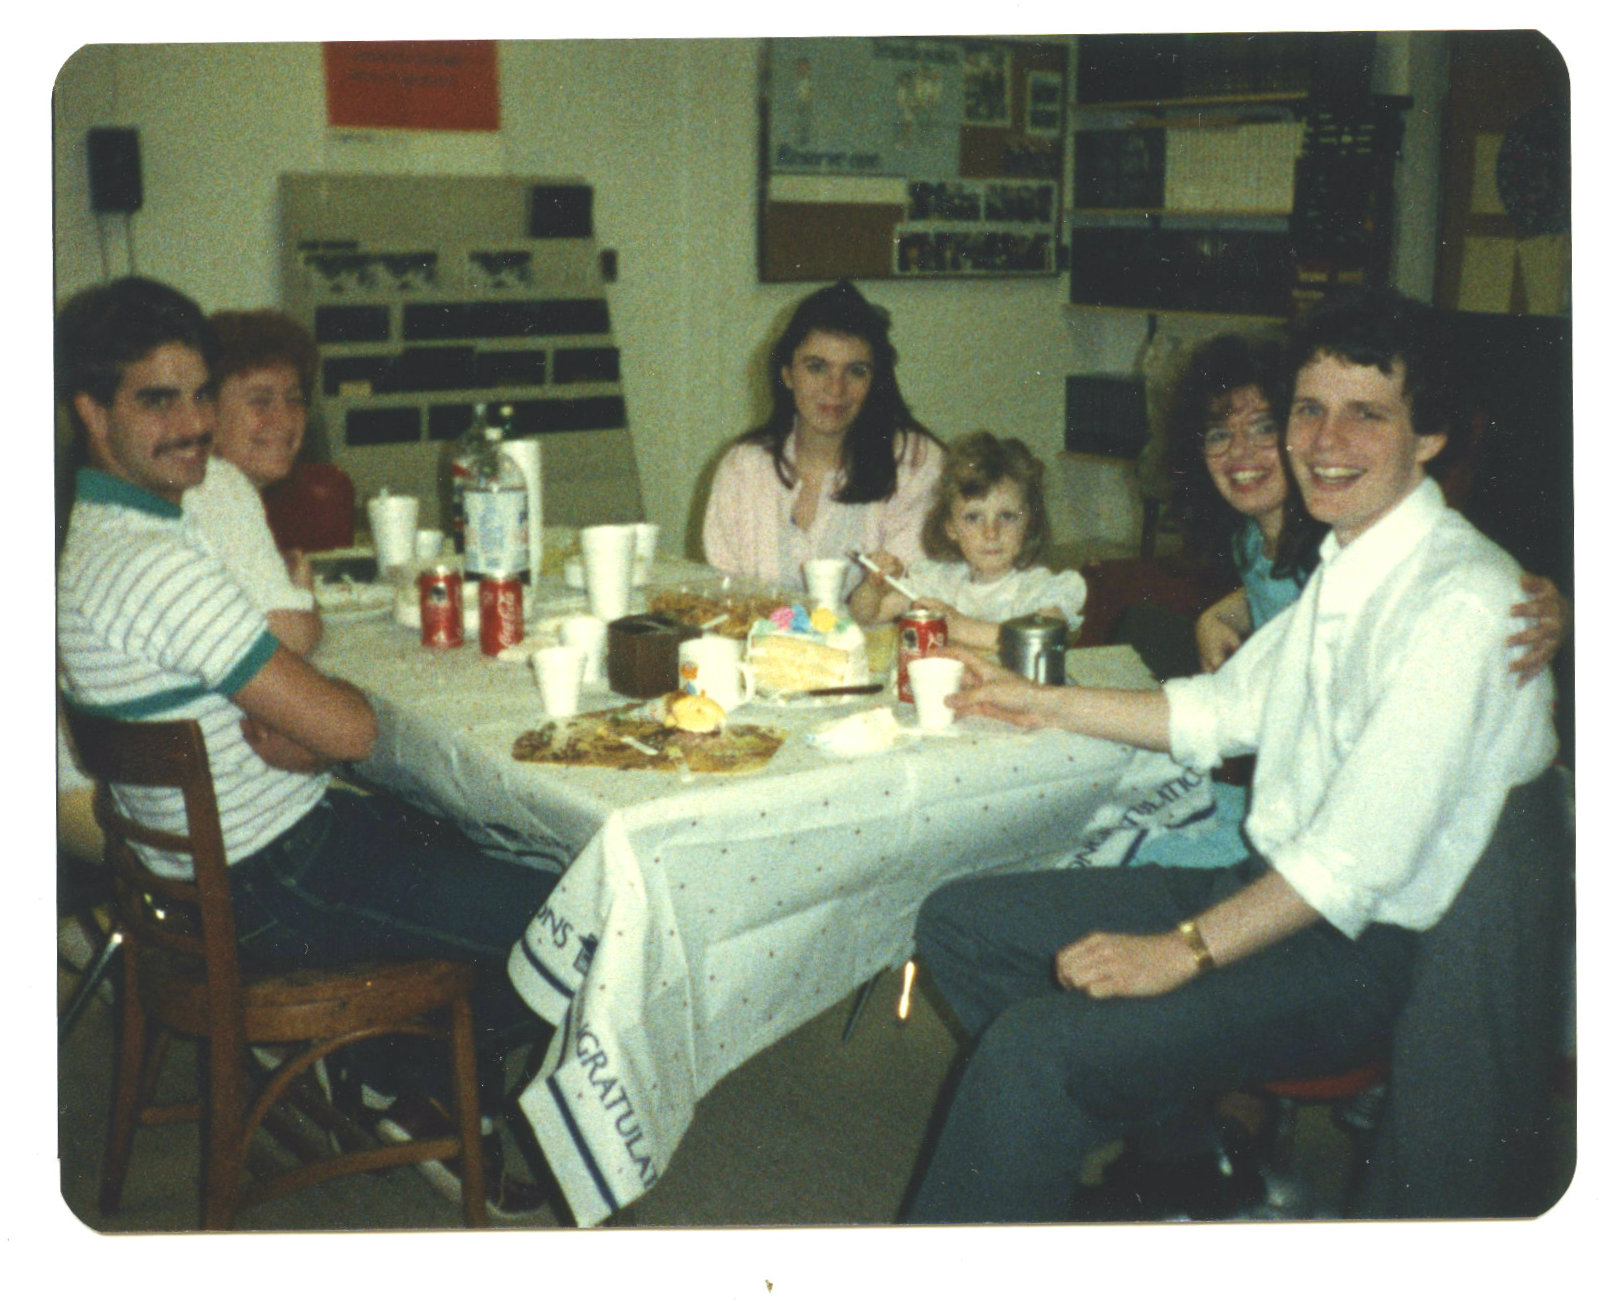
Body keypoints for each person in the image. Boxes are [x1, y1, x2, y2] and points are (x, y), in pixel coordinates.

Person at [902, 288, 1559, 1223]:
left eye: (1366, 414)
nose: (1323, 440)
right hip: (1271, 886)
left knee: (1036, 1051)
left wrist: (1176, 956)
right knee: (960, 925)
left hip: (1362, 949)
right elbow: (1219, 710)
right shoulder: (1351, 561)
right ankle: (1189, 1162)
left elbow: (1350, 864)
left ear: (1430, 437)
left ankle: (1088, 1156)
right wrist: (1035, 698)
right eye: (1309, 408)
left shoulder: (1461, 600)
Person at [54, 277, 564, 1216]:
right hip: (271, 881)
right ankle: (417, 1075)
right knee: (576, 905)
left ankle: (394, 1065)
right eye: (157, 400)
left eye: (199, 395)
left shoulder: (111, 533)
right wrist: (319, 732)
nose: (191, 424)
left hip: (232, 865)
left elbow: (306, 711)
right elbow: (352, 728)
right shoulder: (151, 564)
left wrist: (308, 729)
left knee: (498, 838)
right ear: (91, 411)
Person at [702, 280, 943, 595]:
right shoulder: (744, 467)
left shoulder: (915, 463)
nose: (835, 388)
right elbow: (726, 598)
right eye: (817, 367)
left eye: (856, 371)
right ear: (787, 374)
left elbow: (907, 595)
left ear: (875, 381)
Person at [848, 431, 1087, 651]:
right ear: (951, 528)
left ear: (1029, 523)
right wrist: (874, 587)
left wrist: (960, 626)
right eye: (973, 518)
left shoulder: (1036, 588)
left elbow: (1044, 638)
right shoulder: (942, 582)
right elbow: (868, 616)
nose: (991, 532)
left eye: (1007, 516)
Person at [183, 309, 323, 657]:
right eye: (260, 401)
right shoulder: (219, 486)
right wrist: (305, 597)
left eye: (294, 399)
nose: (284, 419)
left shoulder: (202, 484)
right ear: (209, 414)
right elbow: (292, 639)